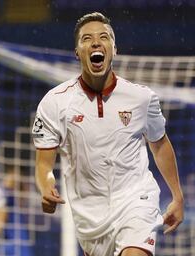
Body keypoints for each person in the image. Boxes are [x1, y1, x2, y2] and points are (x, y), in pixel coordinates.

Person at [32, 12, 184, 256]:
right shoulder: (55, 103)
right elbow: (44, 163)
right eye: (86, 39)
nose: (95, 42)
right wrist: (46, 186)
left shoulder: (141, 98)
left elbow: (160, 144)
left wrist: (177, 195)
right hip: (90, 215)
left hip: (136, 199)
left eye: (104, 37)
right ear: (77, 52)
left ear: (114, 49)